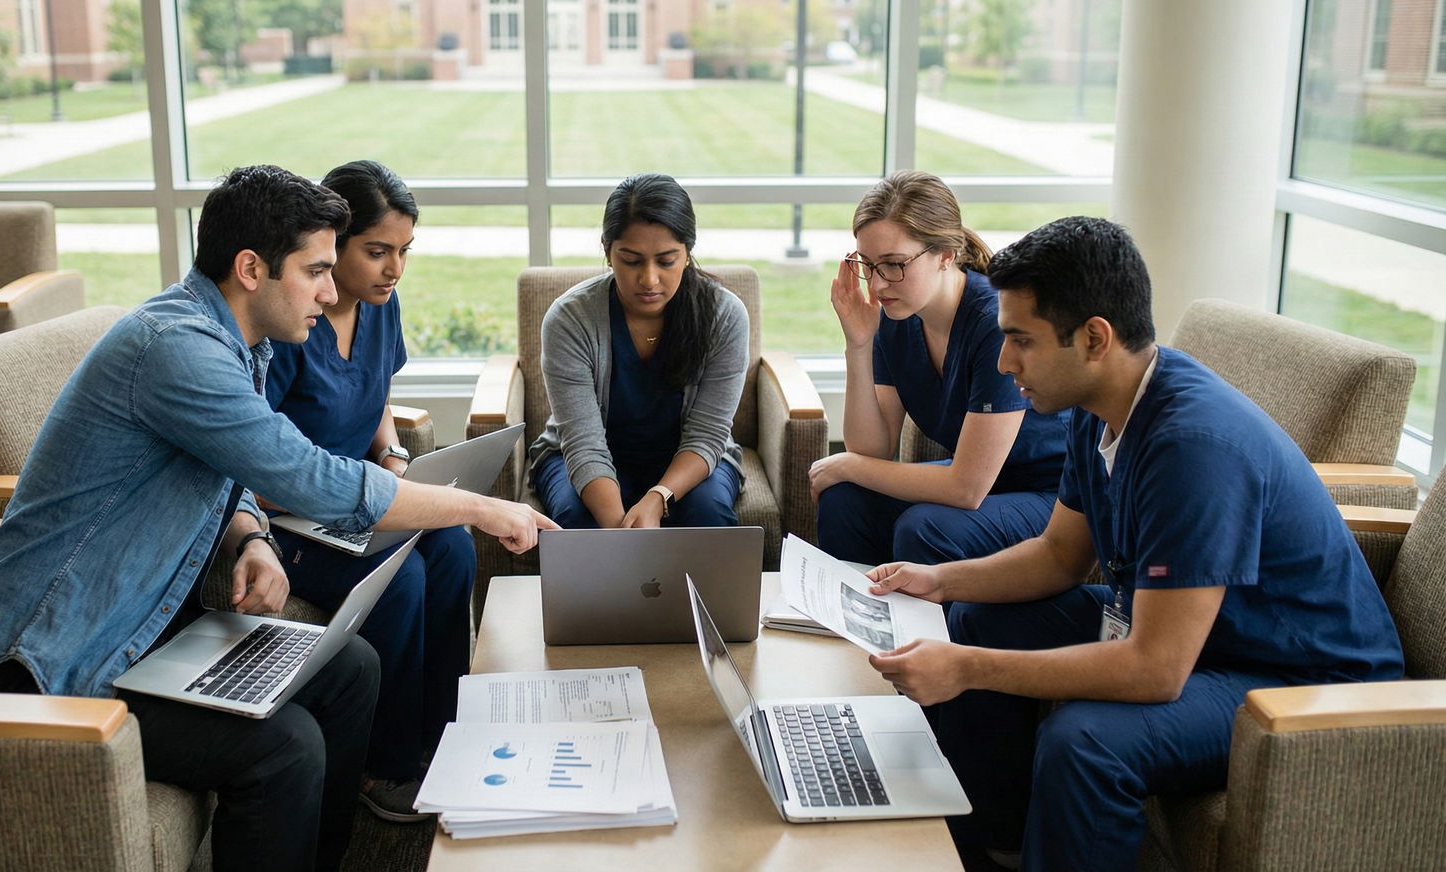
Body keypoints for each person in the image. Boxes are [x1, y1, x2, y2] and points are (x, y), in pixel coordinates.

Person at [0, 165, 555, 872]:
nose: (332, 292)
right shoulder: (176, 349)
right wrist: (482, 506)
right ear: (250, 268)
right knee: (284, 748)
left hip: (144, 621)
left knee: (352, 668)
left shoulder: (238, 343)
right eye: (317, 271)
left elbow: (223, 469)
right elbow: (307, 476)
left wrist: (252, 538)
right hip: (52, 663)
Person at [864, 217, 1404, 872]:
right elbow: (1059, 556)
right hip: (1196, 636)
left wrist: (968, 666)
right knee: (982, 619)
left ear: (1095, 338)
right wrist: (940, 581)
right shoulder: (1101, 410)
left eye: (1021, 342)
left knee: (1084, 741)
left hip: (1293, 677)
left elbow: (1154, 667)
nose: (1005, 364)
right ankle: (989, 848)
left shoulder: (1190, 447)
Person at [263, 159, 471, 822]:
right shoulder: (289, 326)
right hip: (292, 515)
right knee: (398, 577)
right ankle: (386, 765)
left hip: (360, 497)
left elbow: (377, 394)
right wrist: (355, 490)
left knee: (454, 548)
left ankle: (447, 734)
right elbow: (248, 462)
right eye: (377, 252)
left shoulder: (383, 307)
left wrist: (392, 453)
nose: (394, 270)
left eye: (404, 252)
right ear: (331, 246)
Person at [812, 171, 1068, 567]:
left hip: (1055, 495)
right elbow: (873, 449)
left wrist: (849, 463)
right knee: (844, 499)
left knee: (925, 526)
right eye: (869, 265)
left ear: (946, 255)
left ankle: (927, 630)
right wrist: (858, 345)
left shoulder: (994, 324)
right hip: (984, 484)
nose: (878, 285)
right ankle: (856, 623)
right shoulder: (899, 316)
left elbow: (966, 489)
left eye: (894, 264)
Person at [528, 172, 749, 529]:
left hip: (689, 456)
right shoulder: (570, 318)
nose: (649, 279)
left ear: (688, 253)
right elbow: (583, 443)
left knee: (707, 517)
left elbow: (708, 433)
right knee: (576, 521)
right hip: (586, 454)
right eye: (631, 261)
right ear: (607, 250)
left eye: (666, 260)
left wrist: (658, 496)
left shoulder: (724, 315)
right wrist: (624, 536)